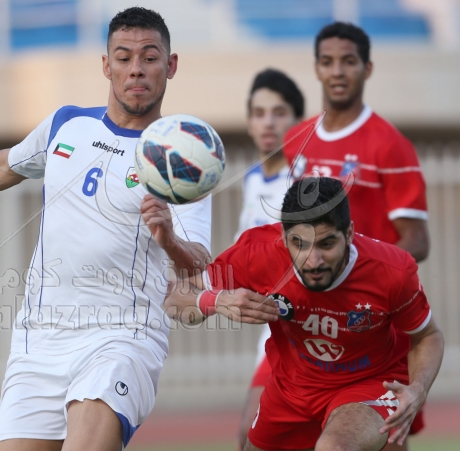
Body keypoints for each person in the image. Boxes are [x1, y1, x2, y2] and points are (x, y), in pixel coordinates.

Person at [0, 7, 212, 451]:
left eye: (149, 57)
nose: (136, 69)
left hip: (120, 339)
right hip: (39, 344)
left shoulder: (182, 159)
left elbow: (198, 266)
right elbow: (2, 167)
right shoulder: (67, 124)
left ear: (171, 65)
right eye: (124, 57)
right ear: (106, 65)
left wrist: (170, 240)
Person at [165, 177, 443, 451]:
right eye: (299, 244)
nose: (313, 261)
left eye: (326, 244)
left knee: (334, 448)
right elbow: (173, 298)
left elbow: (428, 336)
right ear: (284, 237)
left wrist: (418, 389)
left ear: (349, 234)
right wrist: (216, 301)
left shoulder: (392, 270)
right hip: (292, 388)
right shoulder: (257, 254)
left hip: (369, 383)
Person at [283, 22, 431, 449]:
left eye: (348, 61)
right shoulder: (296, 139)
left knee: (386, 438)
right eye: (328, 62)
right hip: (310, 316)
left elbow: (418, 239)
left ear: (366, 68)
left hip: (374, 321)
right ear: (316, 68)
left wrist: (366, 277)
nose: (337, 71)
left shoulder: (389, 144)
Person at [234, 68, 305, 451]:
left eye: (279, 113)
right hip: (275, 328)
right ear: (248, 122)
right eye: (259, 113)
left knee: (252, 433)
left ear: (298, 121)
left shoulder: (309, 180)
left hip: (309, 326)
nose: (268, 122)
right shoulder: (252, 180)